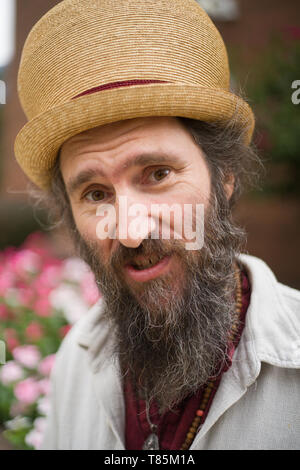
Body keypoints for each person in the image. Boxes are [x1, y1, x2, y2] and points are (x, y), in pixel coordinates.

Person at [14, 0, 300, 450]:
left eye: (158, 174)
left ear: (224, 176)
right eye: (95, 194)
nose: (129, 231)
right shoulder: (75, 360)